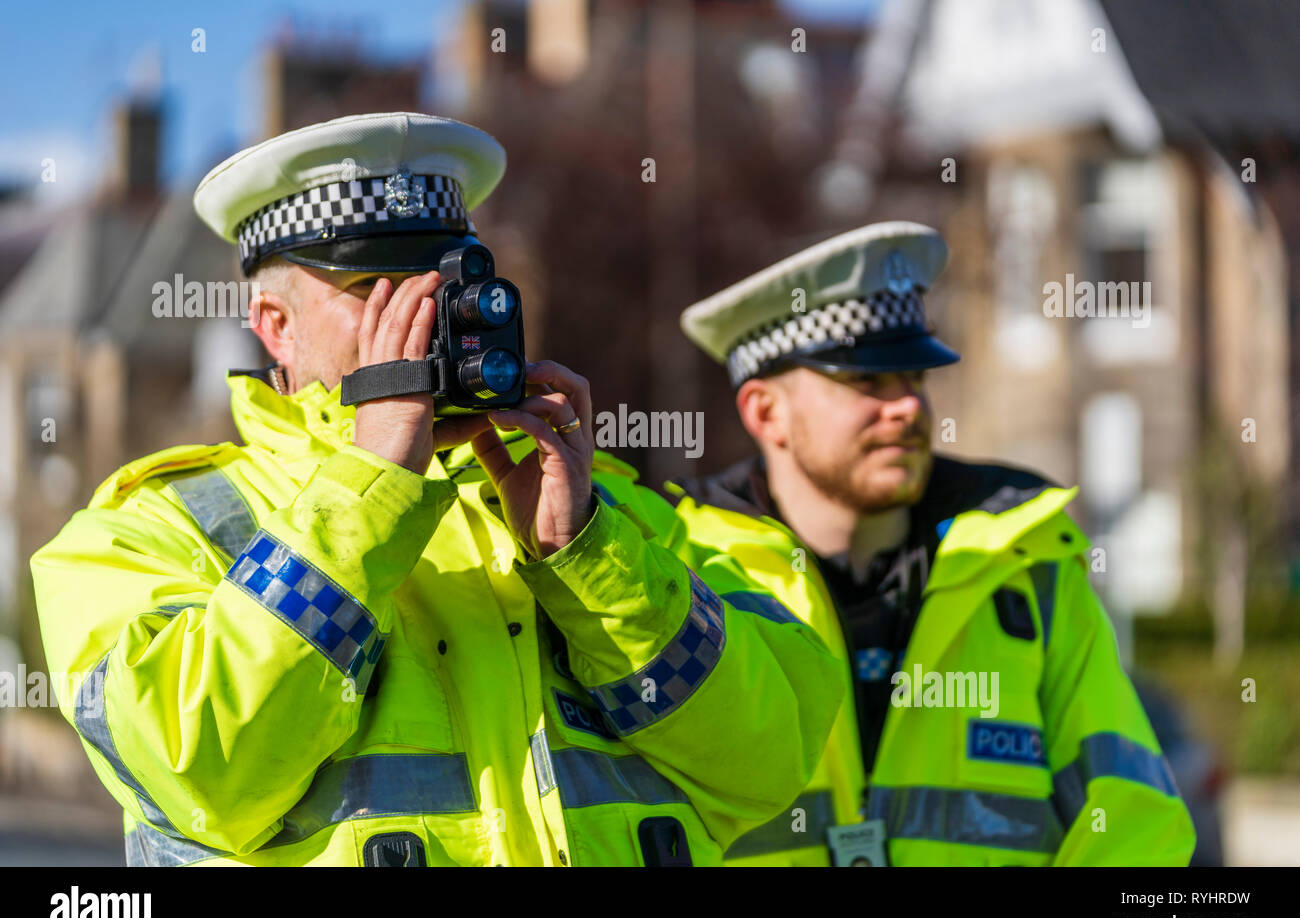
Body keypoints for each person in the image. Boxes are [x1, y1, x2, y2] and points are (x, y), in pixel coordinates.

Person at [29, 112, 844, 867]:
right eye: (376, 292)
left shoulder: (620, 519)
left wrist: (584, 557)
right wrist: (370, 489)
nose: (427, 318)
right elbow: (201, 773)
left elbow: (767, 764)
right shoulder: (142, 533)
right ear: (275, 324)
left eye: (441, 283)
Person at [672, 221, 1197, 866]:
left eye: (915, 378)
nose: (909, 409)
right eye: (868, 383)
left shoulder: (1029, 565)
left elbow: (1136, 824)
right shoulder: (683, 577)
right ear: (764, 412)